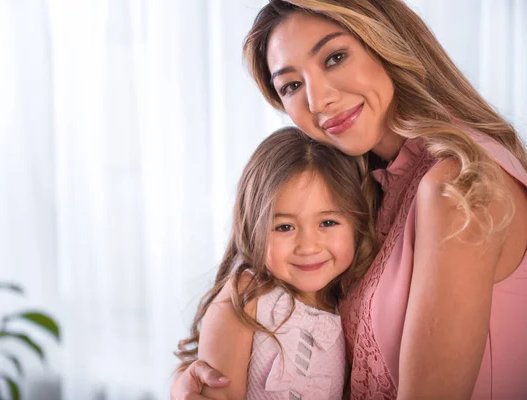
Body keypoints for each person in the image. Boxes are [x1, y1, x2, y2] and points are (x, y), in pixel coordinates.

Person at [171, 0, 527, 399]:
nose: (317, 100)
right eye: (291, 85)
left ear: (388, 42)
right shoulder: (372, 187)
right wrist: (200, 375)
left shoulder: (458, 183)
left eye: (335, 57)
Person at [174, 127, 378, 399]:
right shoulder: (246, 298)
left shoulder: (349, 301)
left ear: (358, 224)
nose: (308, 246)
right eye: (284, 227)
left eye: (327, 222)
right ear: (253, 227)